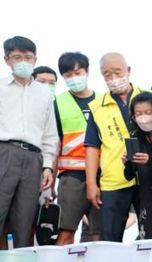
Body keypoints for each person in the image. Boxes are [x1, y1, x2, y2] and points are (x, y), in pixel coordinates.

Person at [0, 36, 58, 249]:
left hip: (34, 158)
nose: (23, 61)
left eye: (27, 57)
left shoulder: (44, 93)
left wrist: (47, 167)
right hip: (4, 152)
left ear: (35, 59)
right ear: (7, 60)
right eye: (17, 57)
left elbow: (50, 134)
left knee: (24, 221)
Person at [84, 52, 146, 242]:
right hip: (114, 179)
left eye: (117, 72)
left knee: (151, 231)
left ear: (128, 70)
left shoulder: (148, 97)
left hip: (147, 175)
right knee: (109, 236)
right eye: (107, 75)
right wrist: (91, 184)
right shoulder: (96, 107)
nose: (113, 78)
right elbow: (92, 147)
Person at [54, 52, 100, 245]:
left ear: (87, 71)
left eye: (77, 72)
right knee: (65, 233)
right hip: (72, 177)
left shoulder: (103, 101)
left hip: (102, 175)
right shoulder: (57, 103)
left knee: (99, 235)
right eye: (68, 75)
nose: (73, 78)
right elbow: (54, 143)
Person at [122, 92, 152, 239]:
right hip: (147, 199)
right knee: (150, 240)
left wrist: (151, 160)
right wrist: (128, 162)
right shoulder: (137, 139)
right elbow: (129, 176)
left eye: (148, 112)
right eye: (139, 114)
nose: (144, 117)